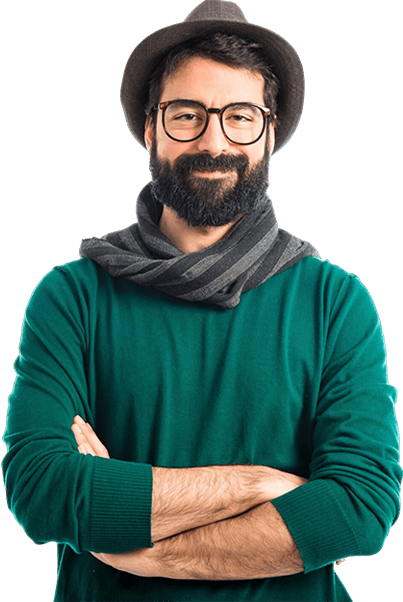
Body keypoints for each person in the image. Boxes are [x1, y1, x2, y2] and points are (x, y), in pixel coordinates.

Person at [3, 2, 401, 601]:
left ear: (270, 133)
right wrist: (254, 485)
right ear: (150, 129)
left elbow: (360, 508)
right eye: (187, 115)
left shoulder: (334, 302)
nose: (214, 142)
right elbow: (42, 490)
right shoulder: (73, 297)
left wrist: (146, 549)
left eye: (240, 116)